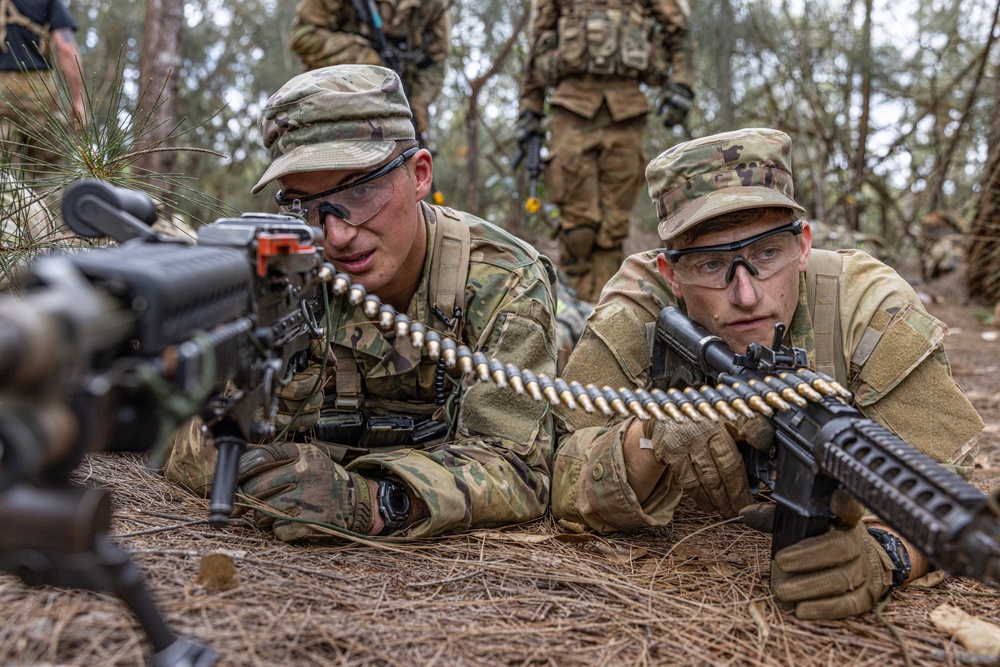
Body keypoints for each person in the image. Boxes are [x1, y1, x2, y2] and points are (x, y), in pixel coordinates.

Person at [551, 127, 985, 619]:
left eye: (766, 255)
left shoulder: (866, 308)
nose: (746, 294)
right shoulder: (640, 311)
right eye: (712, 265)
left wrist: (887, 554)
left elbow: (946, 483)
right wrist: (651, 436)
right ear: (671, 274)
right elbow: (560, 467)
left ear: (803, 246)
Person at [164, 64, 558, 541]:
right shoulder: (280, 274)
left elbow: (518, 469)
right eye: (306, 206)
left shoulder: (504, 280)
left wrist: (375, 502)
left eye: (361, 190)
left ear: (420, 175)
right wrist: (255, 469)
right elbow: (183, 429)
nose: (337, 234)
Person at [517, 0, 694, 303]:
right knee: (578, 229)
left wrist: (682, 84)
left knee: (613, 228)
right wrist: (529, 110)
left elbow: (680, 30)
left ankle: (606, 308)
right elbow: (538, 43)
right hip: (571, 108)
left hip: (627, 109)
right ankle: (574, 311)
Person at [287, 0, 449, 138]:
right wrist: (367, 61)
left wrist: (417, 109)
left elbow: (434, 63)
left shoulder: (433, 5)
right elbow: (302, 36)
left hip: (396, 105)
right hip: (334, 101)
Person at [0, 0, 86, 167]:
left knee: (3, 174)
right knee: (48, 171)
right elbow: (66, 48)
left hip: (2, 91)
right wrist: (77, 100)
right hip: (40, 90)